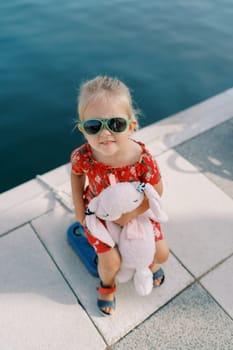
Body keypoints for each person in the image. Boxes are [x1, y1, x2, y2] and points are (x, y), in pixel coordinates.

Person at [70, 76, 169, 315]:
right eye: (94, 126)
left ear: (131, 126)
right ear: (83, 130)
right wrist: (79, 210)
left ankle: (145, 262)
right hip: (99, 213)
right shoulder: (84, 157)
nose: (105, 134)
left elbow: (157, 190)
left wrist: (132, 214)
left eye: (115, 124)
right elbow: (76, 176)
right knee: (111, 262)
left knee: (161, 254)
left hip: (137, 211)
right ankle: (107, 285)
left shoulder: (141, 159)